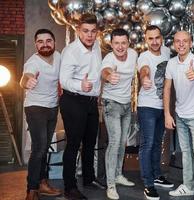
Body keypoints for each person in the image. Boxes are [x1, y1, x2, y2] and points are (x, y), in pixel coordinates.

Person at [59, 13, 104, 200]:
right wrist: (80, 85)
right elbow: (64, 80)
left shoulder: (97, 47)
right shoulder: (71, 51)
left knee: (90, 143)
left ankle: (88, 178)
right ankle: (69, 187)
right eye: (85, 31)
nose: (89, 35)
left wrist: (96, 94)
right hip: (73, 100)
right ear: (78, 30)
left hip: (91, 103)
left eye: (93, 31)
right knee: (73, 144)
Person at [163, 31, 194, 200]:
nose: (181, 44)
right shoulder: (171, 64)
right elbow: (167, 88)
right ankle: (189, 186)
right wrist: (167, 114)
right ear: (174, 44)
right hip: (180, 115)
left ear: (191, 43)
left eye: (185, 41)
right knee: (186, 152)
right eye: (178, 41)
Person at [20, 29, 61, 200]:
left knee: (45, 148)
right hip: (35, 107)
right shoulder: (33, 62)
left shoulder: (59, 56)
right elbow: (24, 78)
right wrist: (27, 81)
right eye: (40, 41)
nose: (45, 44)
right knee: (39, 148)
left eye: (48, 40)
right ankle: (32, 189)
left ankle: (42, 183)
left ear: (54, 42)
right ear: (36, 44)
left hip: (52, 107)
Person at [137, 25, 174, 200]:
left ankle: (157, 175)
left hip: (162, 106)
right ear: (146, 40)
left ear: (162, 37)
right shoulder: (143, 56)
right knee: (148, 143)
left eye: (157, 37)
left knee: (158, 143)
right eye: (150, 38)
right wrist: (144, 78)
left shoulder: (167, 52)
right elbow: (144, 69)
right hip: (147, 106)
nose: (154, 41)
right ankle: (148, 183)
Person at [101, 28, 137, 200]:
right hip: (111, 104)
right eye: (116, 43)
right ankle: (110, 185)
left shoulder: (134, 54)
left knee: (123, 142)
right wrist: (109, 77)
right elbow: (104, 71)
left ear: (128, 43)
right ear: (111, 44)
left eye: (123, 42)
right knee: (114, 142)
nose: (120, 46)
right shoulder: (108, 58)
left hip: (126, 105)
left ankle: (117, 175)